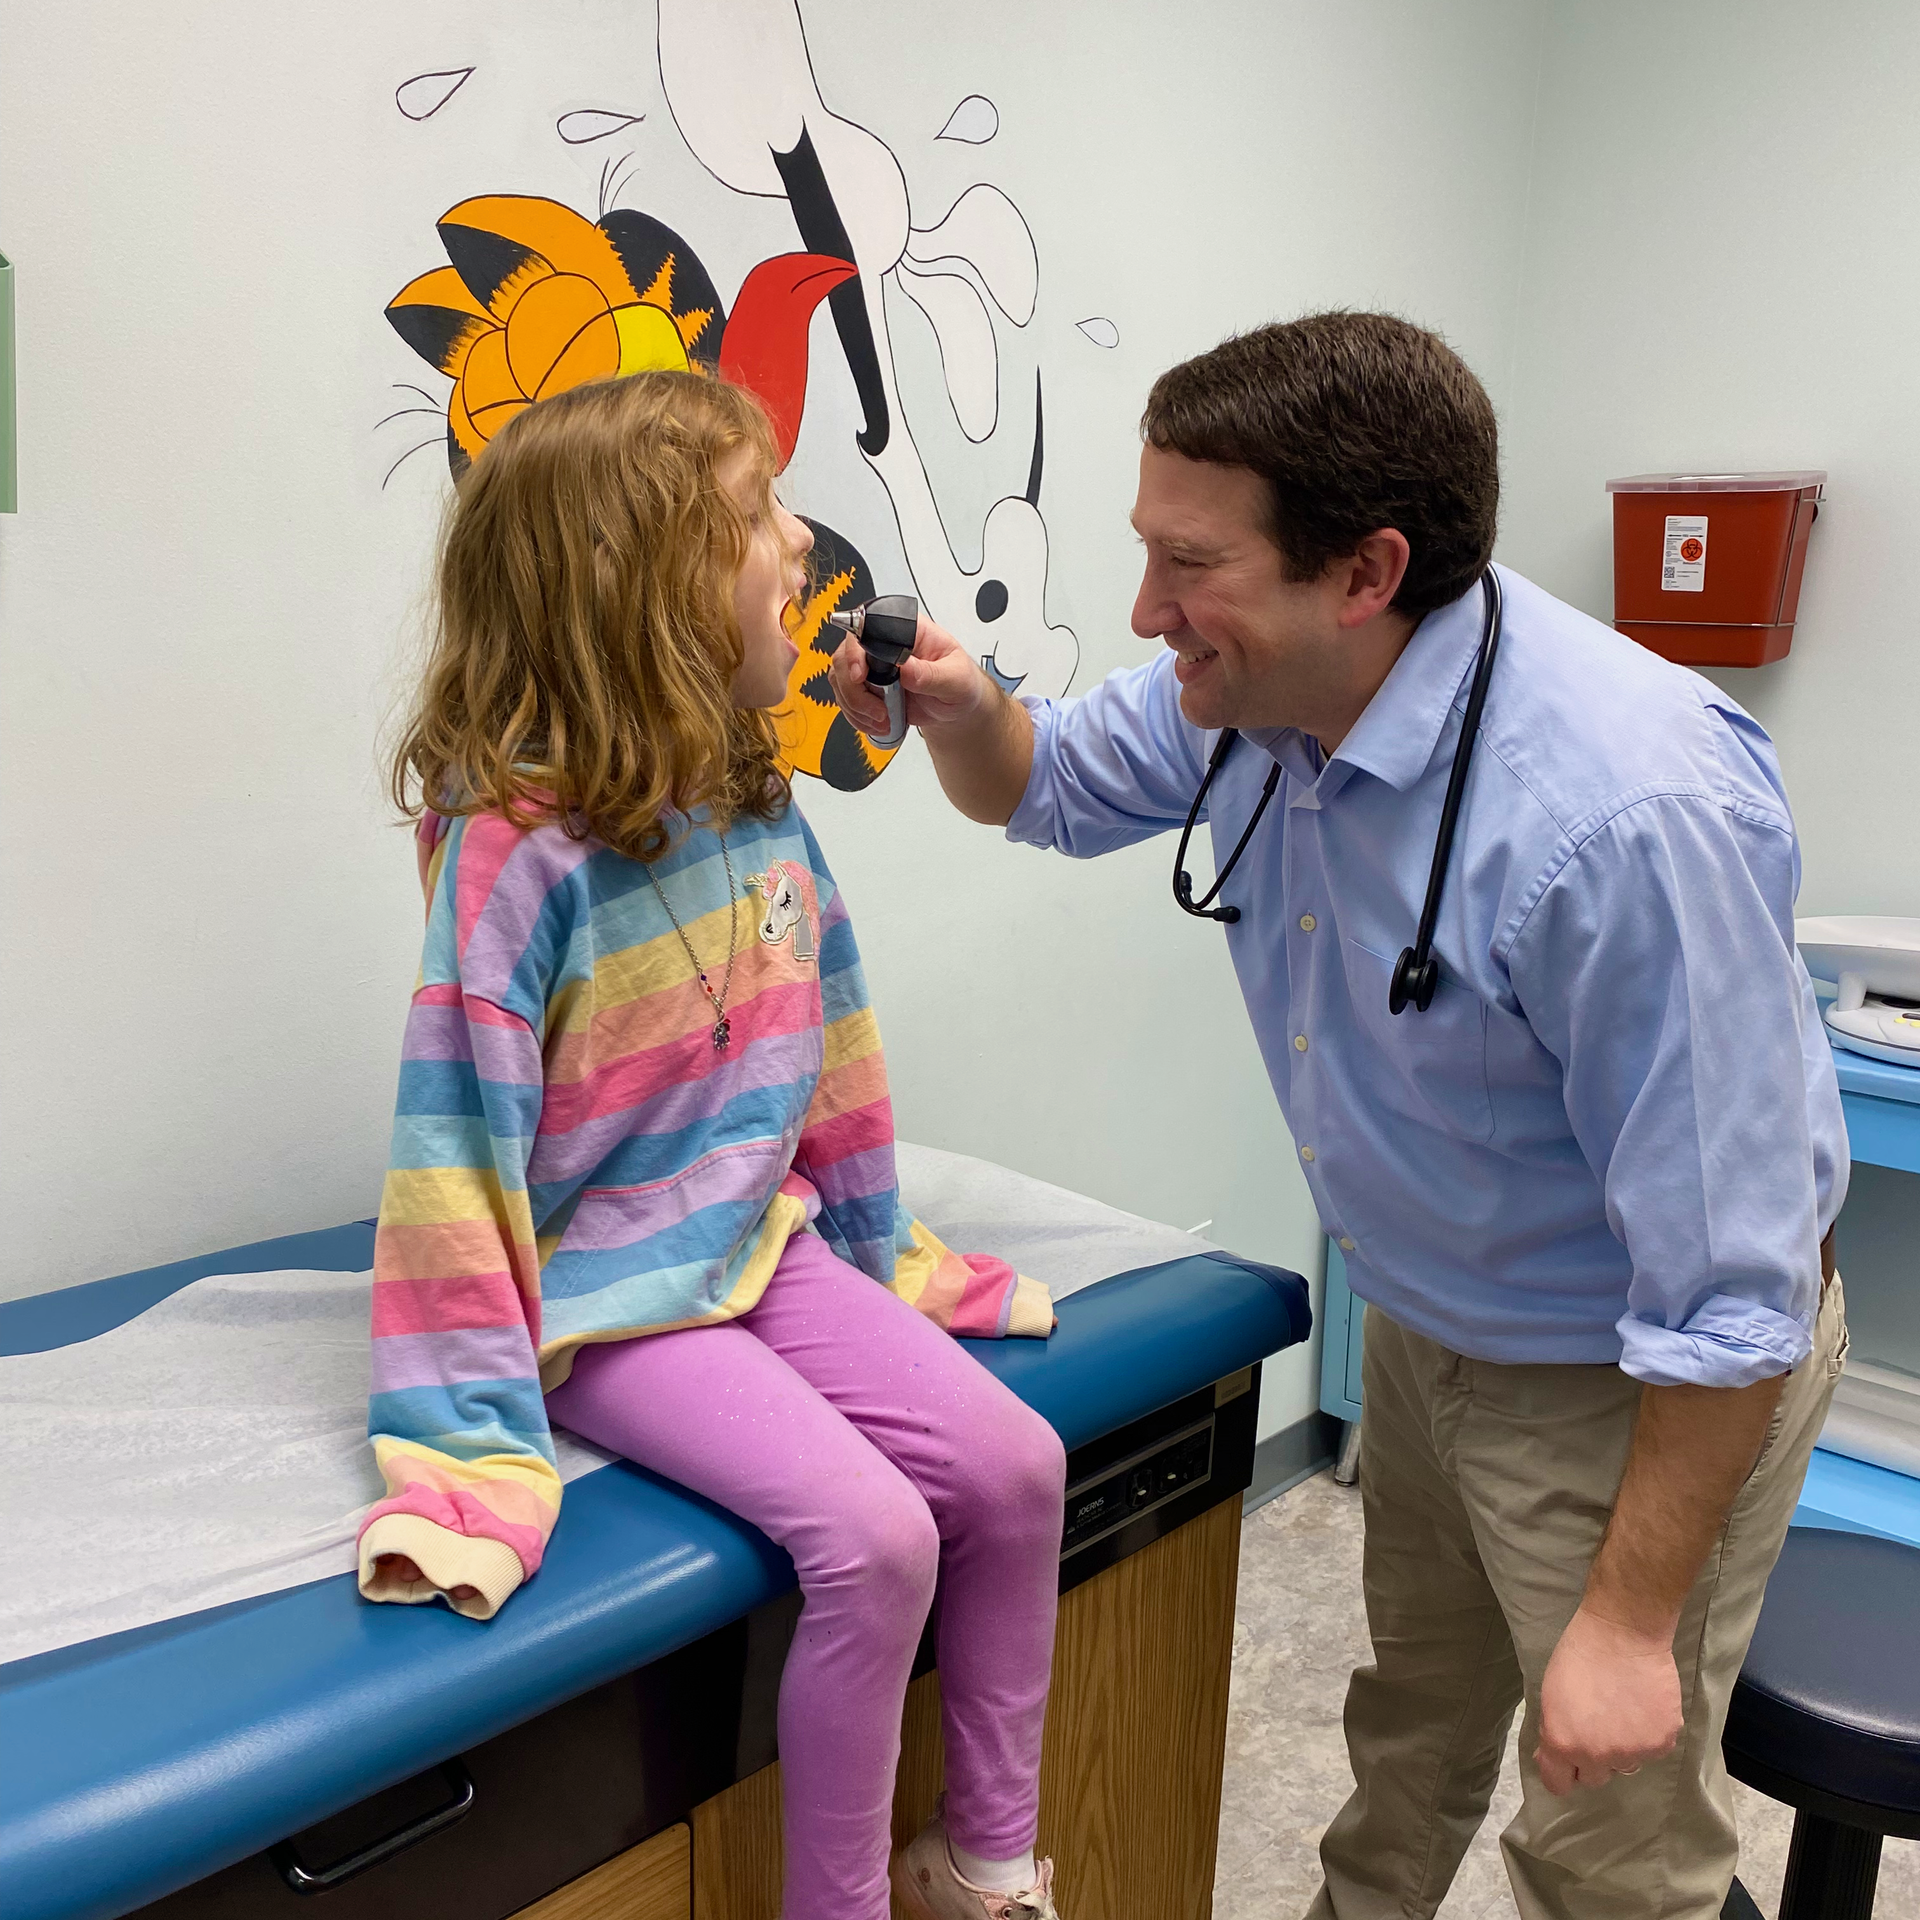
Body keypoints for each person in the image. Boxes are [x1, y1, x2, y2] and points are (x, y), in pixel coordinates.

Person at [829, 312, 1850, 1920]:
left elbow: (1736, 1291)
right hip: (1438, 1331)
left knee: (1607, 1842)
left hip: (1633, 1376)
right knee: (1411, 1738)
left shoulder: (1623, 820)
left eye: (1191, 563)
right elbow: (1037, 789)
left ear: (1365, 574)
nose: (1150, 611)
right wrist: (960, 705)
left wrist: (1632, 1619)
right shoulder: (1246, 685)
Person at [358, 369, 1069, 1920]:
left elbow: (839, 1056)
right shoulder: (510, 857)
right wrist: (468, 1446)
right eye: (758, 514)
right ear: (649, 589)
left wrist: (882, 1261)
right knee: (876, 1540)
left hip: (759, 1240)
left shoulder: (753, 800)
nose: (805, 539)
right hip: (611, 1292)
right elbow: (454, 1155)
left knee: (1018, 1469)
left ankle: (988, 1868)